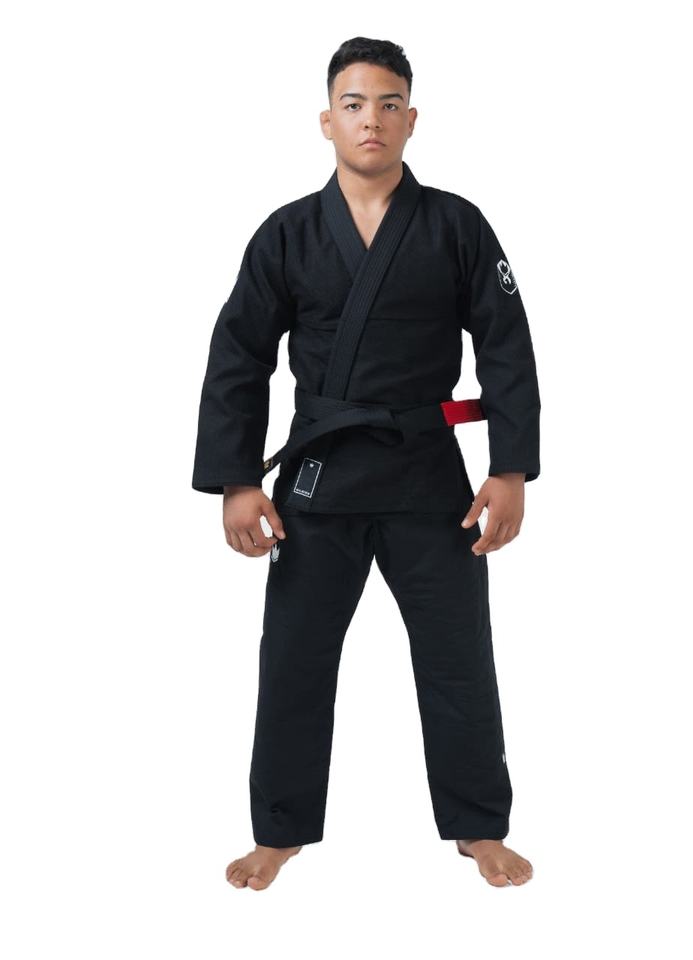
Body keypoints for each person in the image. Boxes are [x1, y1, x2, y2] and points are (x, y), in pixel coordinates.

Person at [192, 36, 540, 890]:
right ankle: (279, 831)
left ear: (412, 119)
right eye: (353, 105)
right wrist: (238, 480)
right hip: (320, 479)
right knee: (294, 660)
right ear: (327, 121)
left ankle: (478, 825)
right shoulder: (287, 233)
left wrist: (510, 469)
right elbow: (238, 355)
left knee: (458, 657)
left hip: (429, 477)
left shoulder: (456, 225)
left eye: (388, 104)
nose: (371, 120)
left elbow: (505, 346)